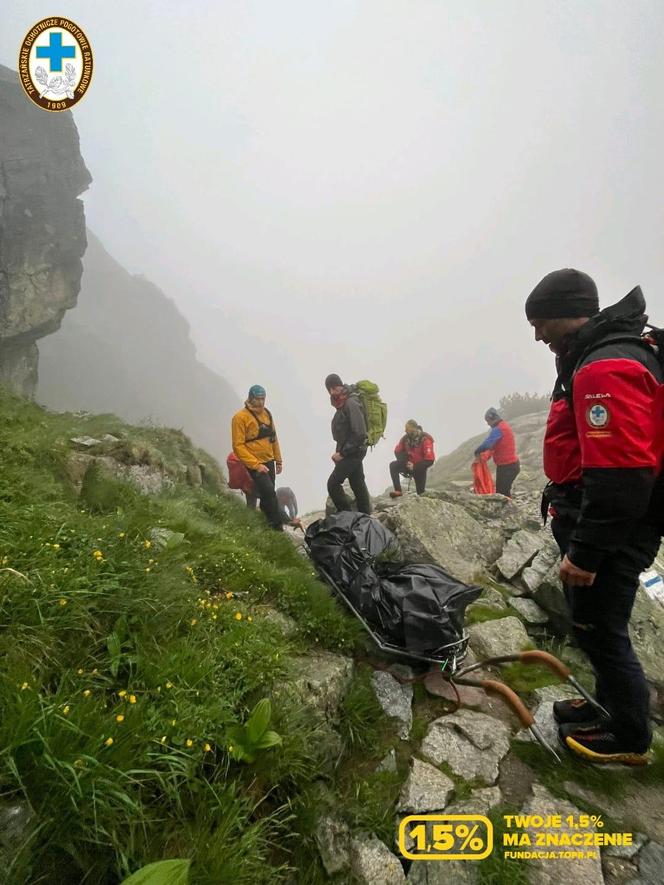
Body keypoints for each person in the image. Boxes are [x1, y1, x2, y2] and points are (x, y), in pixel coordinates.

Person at [526, 268, 663, 765]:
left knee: (601, 627)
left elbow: (622, 474)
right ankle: (608, 705)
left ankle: (628, 736)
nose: (537, 334)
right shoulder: (598, 354)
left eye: (540, 322)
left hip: (614, 526)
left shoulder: (604, 368)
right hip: (603, 516)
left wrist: (585, 553)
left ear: (566, 313)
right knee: (594, 622)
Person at [231, 385, 283, 530]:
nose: (261, 402)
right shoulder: (240, 418)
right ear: (250, 398)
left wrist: (278, 460)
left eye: (263, 399)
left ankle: (265, 521)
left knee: (269, 493)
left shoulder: (267, 414)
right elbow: (238, 446)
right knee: (268, 491)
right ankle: (277, 527)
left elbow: (274, 438)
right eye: (257, 399)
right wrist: (255, 465)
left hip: (269, 460)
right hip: (254, 463)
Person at [325, 373, 372, 514]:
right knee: (357, 483)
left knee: (333, 484)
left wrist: (342, 453)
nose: (332, 392)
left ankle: (346, 517)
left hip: (354, 452)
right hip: (352, 451)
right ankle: (365, 518)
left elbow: (359, 433)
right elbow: (344, 434)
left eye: (333, 388)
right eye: (330, 390)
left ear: (336, 387)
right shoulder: (343, 403)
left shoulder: (351, 403)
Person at [473, 408, 520, 497]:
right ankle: (508, 508)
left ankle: (508, 510)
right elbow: (494, 447)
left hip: (507, 467)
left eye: (488, 421)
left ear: (493, 418)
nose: (487, 423)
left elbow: (488, 443)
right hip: (510, 465)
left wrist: (477, 451)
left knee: (502, 493)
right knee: (503, 491)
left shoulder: (499, 429)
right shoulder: (503, 426)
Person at [389, 420, 435, 497]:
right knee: (393, 465)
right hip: (407, 465)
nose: (405, 430)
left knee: (421, 493)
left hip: (419, 469)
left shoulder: (425, 439)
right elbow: (397, 451)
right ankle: (398, 491)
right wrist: (405, 462)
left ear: (414, 428)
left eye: (407, 428)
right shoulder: (405, 439)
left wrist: (415, 466)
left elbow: (430, 460)